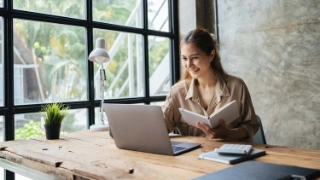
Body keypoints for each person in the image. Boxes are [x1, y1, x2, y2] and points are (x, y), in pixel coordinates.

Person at [161, 28, 260, 142]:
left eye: (195, 58)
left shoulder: (237, 86)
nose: (189, 65)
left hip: (231, 156)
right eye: (184, 58)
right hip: (192, 157)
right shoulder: (177, 92)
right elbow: (159, 128)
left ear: (211, 55)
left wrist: (229, 133)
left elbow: (252, 125)